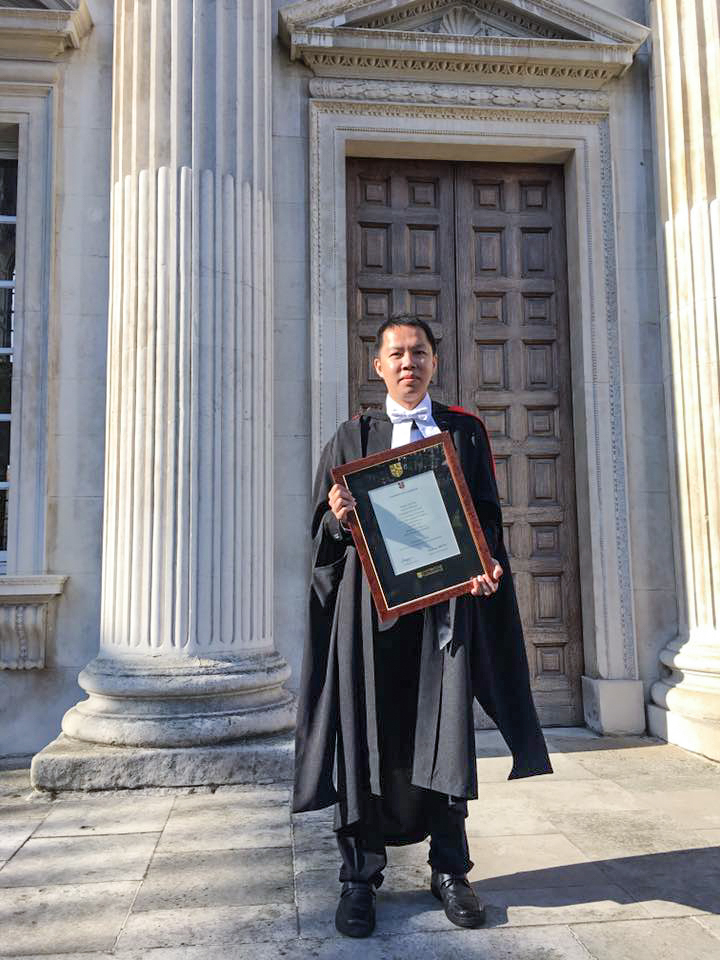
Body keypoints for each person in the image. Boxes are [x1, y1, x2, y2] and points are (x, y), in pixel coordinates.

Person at [293, 315, 552, 938]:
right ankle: (359, 879)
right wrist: (336, 516)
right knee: (364, 740)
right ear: (377, 366)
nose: (408, 363)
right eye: (396, 354)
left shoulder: (462, 433)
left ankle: (450, 870)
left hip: (444, 617)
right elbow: (322, 539)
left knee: (445, 736)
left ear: (434, 362)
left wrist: (487, 562)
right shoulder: (351, 438)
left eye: (419, 352)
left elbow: (486, 519)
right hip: (372, 620)